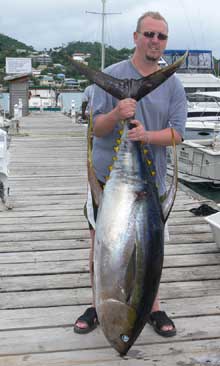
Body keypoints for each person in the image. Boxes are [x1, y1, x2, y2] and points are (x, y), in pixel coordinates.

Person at [74, 11, 187, 337]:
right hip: (108, 182)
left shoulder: (173, 85)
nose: (155, 41)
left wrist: (145, 137)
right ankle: (98, 304)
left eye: (161, 36)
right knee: (102, 246)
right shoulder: (109, 76)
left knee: (150, 250)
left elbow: (178, 134)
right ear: (136, 37)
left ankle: (152, 306)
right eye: (149, 34)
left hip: (149, 184)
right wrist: (117, 112)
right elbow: (96, 128)